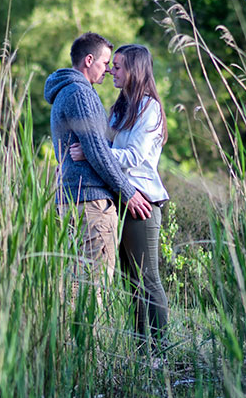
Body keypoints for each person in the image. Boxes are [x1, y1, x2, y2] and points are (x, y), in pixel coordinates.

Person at [70, 44, 170, 351]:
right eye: (112, 64)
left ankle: (159, 351)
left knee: (147, 280)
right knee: (131, 285)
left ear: (135, 71)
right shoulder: (120, 108)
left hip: (142, 203)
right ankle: (144, 354)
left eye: (119, 66)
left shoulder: (149, 108)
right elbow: (104, 147)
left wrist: (92, 153)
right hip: (121, 201)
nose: (113, 69)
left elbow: (134, 156)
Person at [44, 33, 152, 292]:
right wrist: (128, 193)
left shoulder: (65, 91)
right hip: (91, 205)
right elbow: (97, 152)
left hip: (71, 199)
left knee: (74, 286)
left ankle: (68, 335)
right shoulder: (81, 94)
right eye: (105, 63)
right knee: (94, 288)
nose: (108, 71)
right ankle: (86, 334)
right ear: (89, 60)